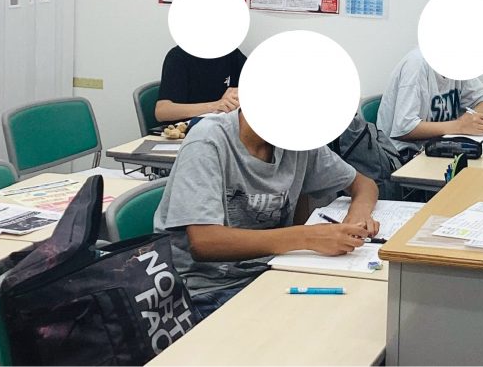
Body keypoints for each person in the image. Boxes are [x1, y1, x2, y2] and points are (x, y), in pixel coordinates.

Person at [153, 109, 380, 318]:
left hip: (274, 271)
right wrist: (308, 237)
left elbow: (363, 184)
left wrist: (358, 215)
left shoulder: (297, 139)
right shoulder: (208, 140)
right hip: (209, 288)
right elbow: (204, 242)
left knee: (357, 311)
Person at [377, 47, 483, 154]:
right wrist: (460, 125)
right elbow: (404, 128)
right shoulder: (416, 64)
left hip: (440, 145)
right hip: (405, 154)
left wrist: (473, 120)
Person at [155, 46, 247, 123]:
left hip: (222, 127)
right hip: (187, 132)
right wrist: (215, 106)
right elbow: (162, 111)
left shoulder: (231, 54)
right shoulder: (178, 56)